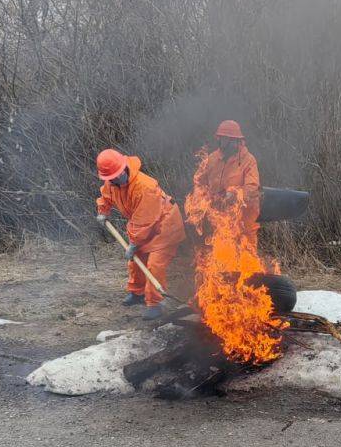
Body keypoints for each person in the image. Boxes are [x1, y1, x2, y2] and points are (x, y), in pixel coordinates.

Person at [95, 149, 186, 320]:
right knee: (136, 259)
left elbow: (145, 220)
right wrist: (103, 211)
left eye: (117, 174)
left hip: (165, 226)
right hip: (144, 226)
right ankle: (137, 293)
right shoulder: (112, 182)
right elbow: (106, 196)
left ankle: (154, 304)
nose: (115, 179)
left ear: (124, 167)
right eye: (111, 178)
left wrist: (134, 243)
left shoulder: (145, 187)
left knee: (154, 264)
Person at [189, 120, 261, 249]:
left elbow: (252, 187)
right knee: (220, 251)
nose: (228, 143)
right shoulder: (212, 159)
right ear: (220, 139)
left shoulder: (248, 160)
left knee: (246, 252)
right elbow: (200, 181)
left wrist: (234, 194)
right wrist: (201, 198)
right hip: (220, 215)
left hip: (244, 216)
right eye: (225, 139)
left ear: (238, 141)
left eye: (232, 140)